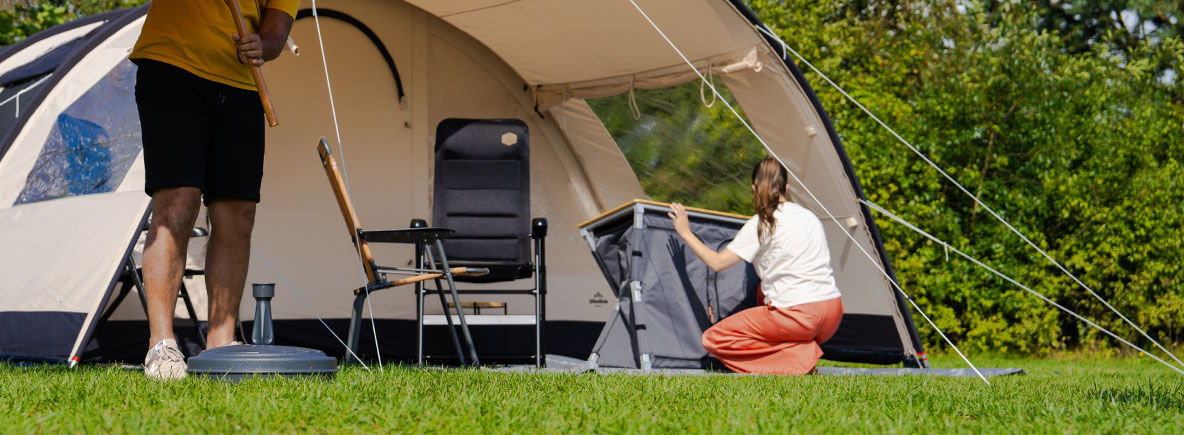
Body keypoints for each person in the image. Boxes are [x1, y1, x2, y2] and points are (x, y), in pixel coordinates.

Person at [130, 0, 297, 380]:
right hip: (172, 67)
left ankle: (220, 346)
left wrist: (262, 46)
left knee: (238, 213)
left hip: (241, 85)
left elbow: (275, 33)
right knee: (178, 202)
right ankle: (162, 345)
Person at [667, 157, 844, 375]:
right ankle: (802, 351)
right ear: (786, 188)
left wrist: (685, 231)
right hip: (832, 313)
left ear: (753, 188)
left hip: (800, 316)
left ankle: (801, 360)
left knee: (714, 339)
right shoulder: (809, 217)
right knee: (763, 291)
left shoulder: (761, 223)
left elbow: (716, 262)